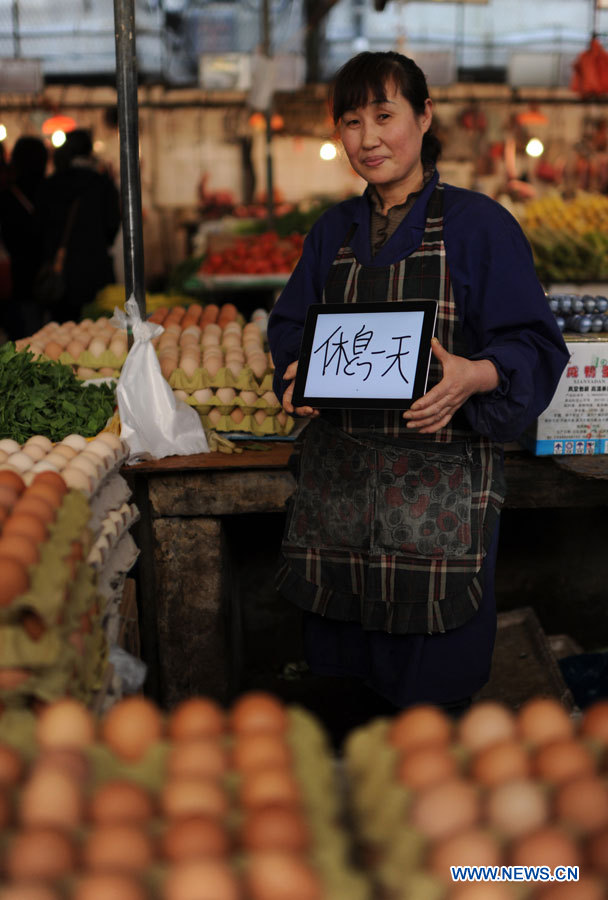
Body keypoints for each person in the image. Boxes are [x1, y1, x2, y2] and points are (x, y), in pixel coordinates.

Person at [267, 51, 569, 721]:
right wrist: (295, 371)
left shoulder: (480, 227)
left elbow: (535, 345)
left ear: (424, 116)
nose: (368, 139)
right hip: (340, 510)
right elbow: (289, 328)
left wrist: (474, 374)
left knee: (432, 716)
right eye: (351, 122)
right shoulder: (331, 233)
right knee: (348, 704)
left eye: (384, 115)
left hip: (438, 516)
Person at [35, 128, 120, 323]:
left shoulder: (50, 185)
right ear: (89, 151)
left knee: (63, 333)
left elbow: (39, 229)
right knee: (100, 331)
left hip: (61, 272)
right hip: (96, 271)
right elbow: (112, 226)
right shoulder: (103, 184)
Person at [0, 135, 48, 338]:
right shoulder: (50, 190)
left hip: (17, 276)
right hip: (43, 274)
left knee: (21, 337)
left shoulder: (8, 195)